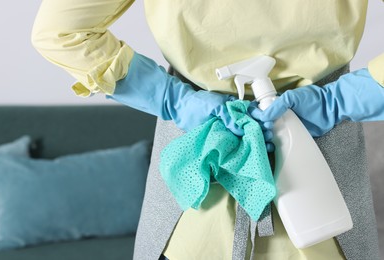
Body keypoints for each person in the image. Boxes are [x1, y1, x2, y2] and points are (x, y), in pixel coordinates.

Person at [32, 1, 383, 259]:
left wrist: (174, 99)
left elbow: (59, 31)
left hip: (193, 211)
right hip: (324, 205)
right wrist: (337, 101)